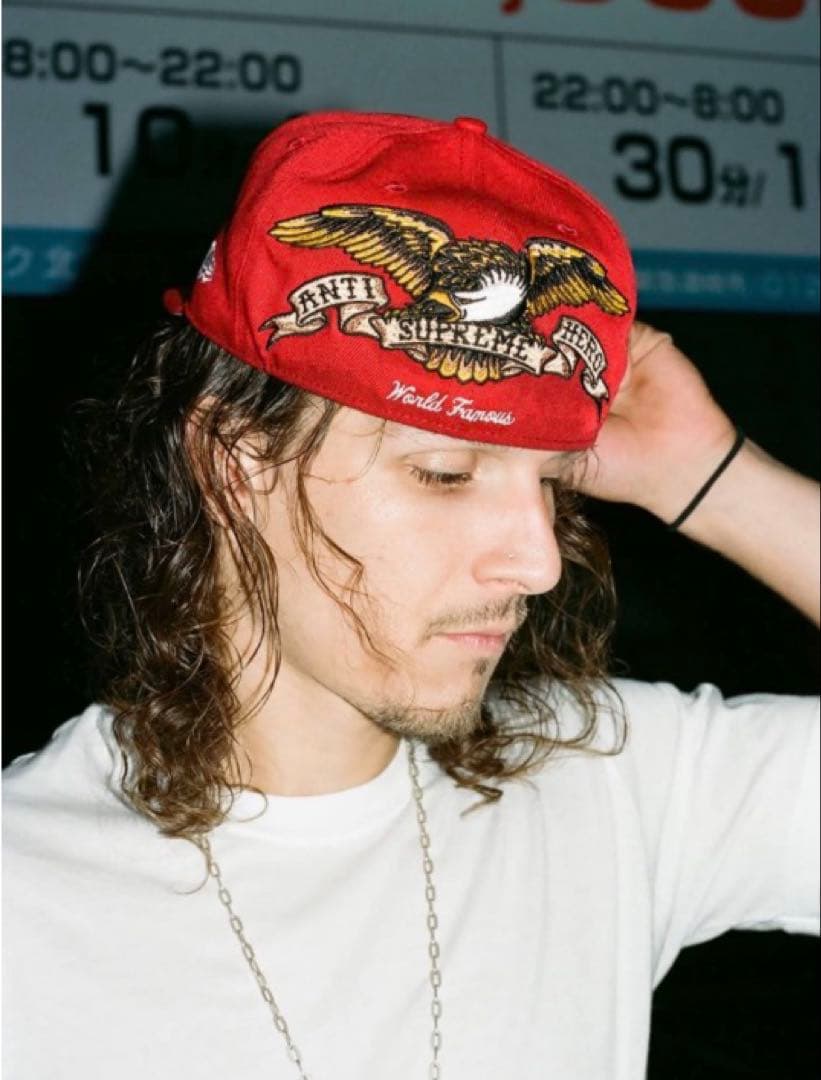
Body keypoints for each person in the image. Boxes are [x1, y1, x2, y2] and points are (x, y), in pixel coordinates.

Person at [3, 111, 818, 1080]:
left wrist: (712, 479)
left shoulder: (610, 785)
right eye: (444, 475)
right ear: (232, 465)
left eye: (551, 483)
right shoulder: (27, 898)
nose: (538, 563)